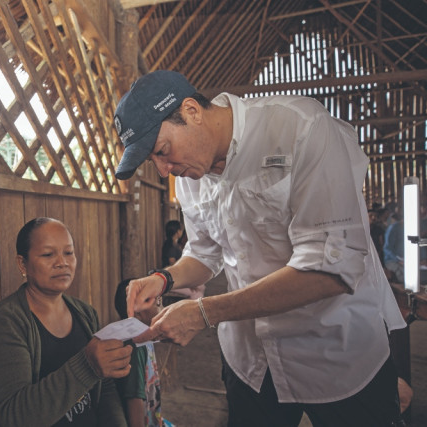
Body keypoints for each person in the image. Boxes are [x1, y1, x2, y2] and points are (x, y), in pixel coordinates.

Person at [113, 70, 407, 426]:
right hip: (251, 359)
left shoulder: (300, 128)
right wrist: (163, 279)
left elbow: (330, 272)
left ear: (191, 111)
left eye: (162, 151)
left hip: (333, 348)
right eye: (153, 161)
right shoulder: (191, 171)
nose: (163, 170)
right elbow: (205, 253)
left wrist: (204, 313)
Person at [0, 217, 130, 426]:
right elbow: (15, 416)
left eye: (69, 252)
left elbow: (105, 388)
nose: (62, 262)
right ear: (22, 263)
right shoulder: (4, 323)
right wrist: (87, 366)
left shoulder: (86, 314)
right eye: (48, 254)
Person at [114, 279, 174, 427]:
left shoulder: (145, 338)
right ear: (138, 314)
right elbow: (134, 399)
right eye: (158, 302)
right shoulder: (134, 346)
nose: (163, 306)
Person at [161, 220, 205, 305]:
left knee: (201, 286)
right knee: (196, 292)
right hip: (170, 278)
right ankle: (193, 311)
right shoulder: (171, 247)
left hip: (171, 276)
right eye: (181, 230)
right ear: (177, 232)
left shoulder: (172, 244)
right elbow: (173, 265)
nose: (182, 232)